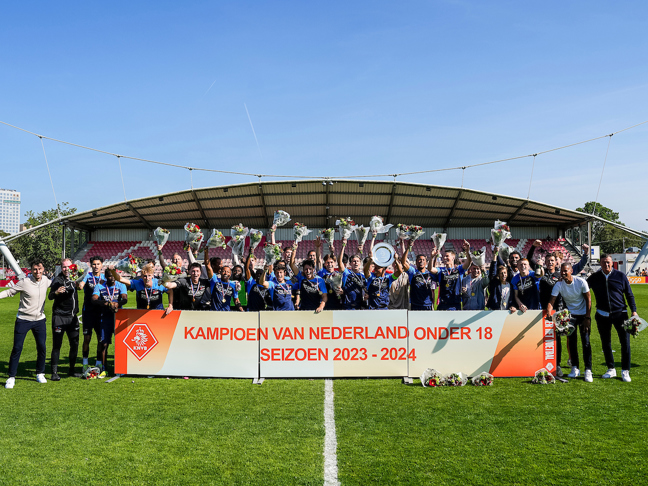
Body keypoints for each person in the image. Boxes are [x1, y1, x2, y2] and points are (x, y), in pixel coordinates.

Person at [587, 254, 638, 382]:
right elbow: (582, 289)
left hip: (621, 314)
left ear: (612, 262)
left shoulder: (620, 276)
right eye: (604, 262)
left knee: (625, 343)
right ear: (600, 264)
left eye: (608, 262)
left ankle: (625, 370)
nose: (606, 264)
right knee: (606, 343)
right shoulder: (594, 277)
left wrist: (634, 311)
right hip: (602, 314)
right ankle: (611, 369)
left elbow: (629, 294)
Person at [0, 260, 51, 389]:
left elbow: (57, 285)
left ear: (43, 270)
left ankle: (40, 373)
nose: (37, 272)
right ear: (31, 270)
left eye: (39, 269)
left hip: (39, 320)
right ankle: (11, 377)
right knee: (17, 348)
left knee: (42, 347)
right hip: (23, 319)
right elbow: (9, 292)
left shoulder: (46, 280)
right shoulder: (24, 282)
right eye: (35, 269)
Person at [547, 263, 593, 382]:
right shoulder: (559, 284)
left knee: (586, 342)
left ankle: (588, 370)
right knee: (572, 342)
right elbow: (552, 300)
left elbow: (588, 299)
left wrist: (587, 317)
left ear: (571, 271)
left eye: (565, 271)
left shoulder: (581, 282)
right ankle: (575, 367)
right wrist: (548, 312)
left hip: (583, 315)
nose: (563, 273)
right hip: (570, 315)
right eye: (562, 271)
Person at [48, 258, 81, 381]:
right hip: (59, 317)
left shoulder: (75, 278)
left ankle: (72, 370)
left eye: (68, 266)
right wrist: (56, 292)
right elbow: (50, 296)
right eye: (64, 267)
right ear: (61, 268)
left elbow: (80, 287)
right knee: (57, 345)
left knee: (75, 344)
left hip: (73, 318)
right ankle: (54, 373)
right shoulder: (57, 280)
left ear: (73, 267)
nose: (66, 269)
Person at [92, 270, 128, 378]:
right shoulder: (99, 286)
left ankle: (120, 368)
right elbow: (94, 299)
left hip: (118, 318)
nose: (112, 278)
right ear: (105, 277)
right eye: (109, 276)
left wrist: (117, 304)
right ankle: (104, 369)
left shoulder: (121, 285)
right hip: (105, 318)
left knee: (120, 343)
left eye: (113, 276)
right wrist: (106, 303)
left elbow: (125, 299)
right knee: (104, 344)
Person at [77, 256, 105, 373]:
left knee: (100, 339)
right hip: (88, 312)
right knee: (87, 338)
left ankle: (98, 363)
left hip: (101, 312)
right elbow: (80, 286)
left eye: (98, 264)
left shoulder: (104, 278)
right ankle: (85, 363)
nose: (96, 266)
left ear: (101, 265)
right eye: (94, 264)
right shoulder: (87, 276)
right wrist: (78, 282)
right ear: (90, 265)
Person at [427, 240, 472, 310]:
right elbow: (430, 269)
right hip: (443, 304)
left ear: (453, 257)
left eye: (447, 256)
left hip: (455, 304)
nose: (444, 258)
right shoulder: (441, 270)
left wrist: (467, 251)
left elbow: (468, 263)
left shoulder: (459, 269)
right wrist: (432, 257)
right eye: (444, 256)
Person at [401, 243, 437, 310]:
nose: (421, 261)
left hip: (428, 305)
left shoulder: (430, 274)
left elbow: (433, 290)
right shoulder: (413, 272)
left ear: (426, 263)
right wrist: (408, 247)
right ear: (416, 262)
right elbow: (403, 262)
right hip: (415, 305)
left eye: (423, 260)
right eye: (419, 259)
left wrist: (432, 303)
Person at [336, 237, 367, 310]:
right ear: (350, 264)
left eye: (357, 261)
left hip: (359, 305)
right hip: (348, 305)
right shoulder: (347, 273)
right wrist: (343, 246)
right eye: (354, 261)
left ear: (360, 263)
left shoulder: (363, 276)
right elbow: (340, 262)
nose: (356, 263)